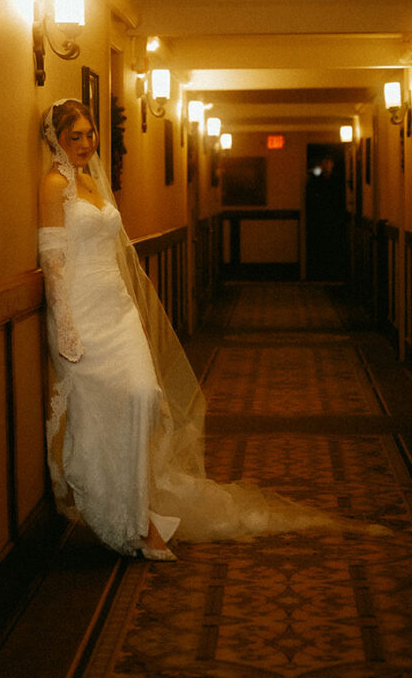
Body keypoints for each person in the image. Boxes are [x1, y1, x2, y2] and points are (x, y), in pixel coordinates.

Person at [38, 98, 386, 561]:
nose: (84, 144)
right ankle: (127, 520)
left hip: (117, 310)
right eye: (74, 136)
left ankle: (138, 509)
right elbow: (53, 261)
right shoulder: (54, 184)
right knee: (102, 415)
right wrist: (65, 326)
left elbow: (117, 254)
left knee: (144, 397)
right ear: (56, 140)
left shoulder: (92, 182)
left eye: (89, 134)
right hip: (80, 314)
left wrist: (133, 308)